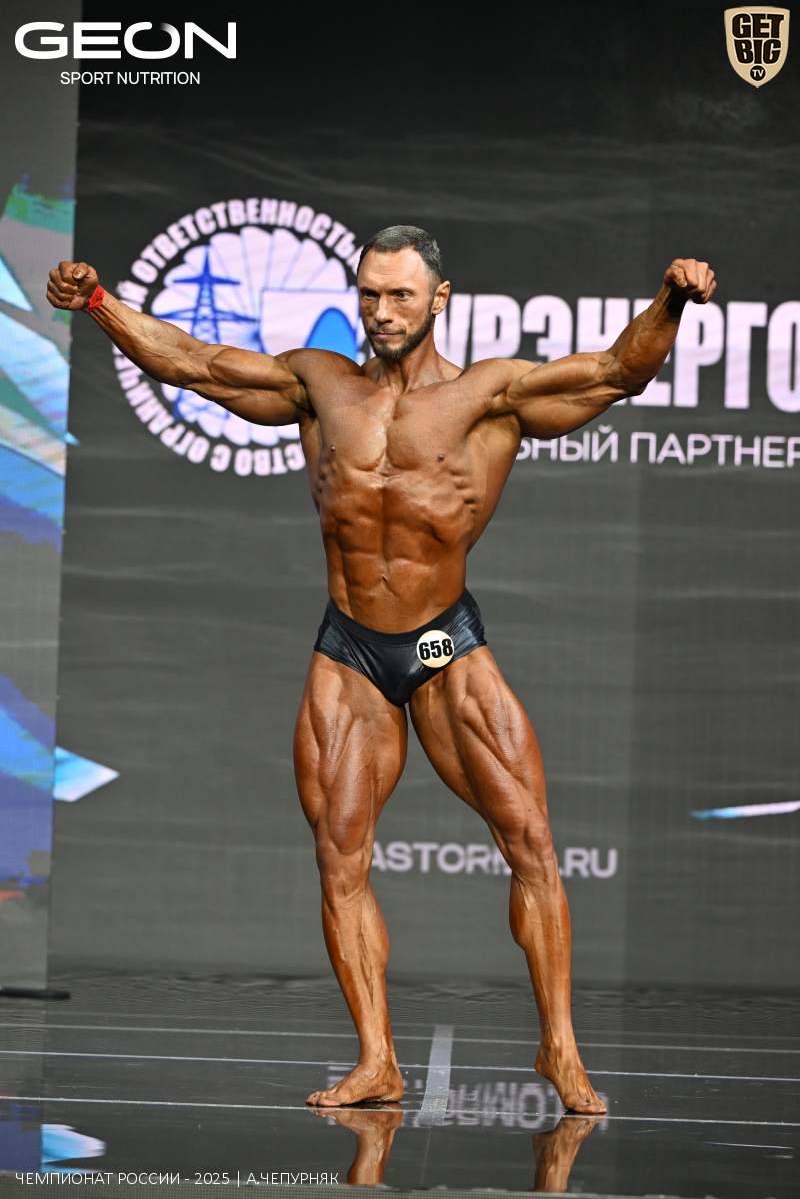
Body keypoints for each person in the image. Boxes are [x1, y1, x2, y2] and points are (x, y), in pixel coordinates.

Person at [47, 227, 715, 1114]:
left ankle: (559, 1046)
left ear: (439, 298)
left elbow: (616, 373)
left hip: (442, 644)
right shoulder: (320, 385)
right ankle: (377, 1061)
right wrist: (99, 303)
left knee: (530, 844)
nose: (382, 311)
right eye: (369, 293)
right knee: (340, 857)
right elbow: (194, 364)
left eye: (401, 295)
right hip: (352, 650)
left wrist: (670, 302)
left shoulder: (489, 395)